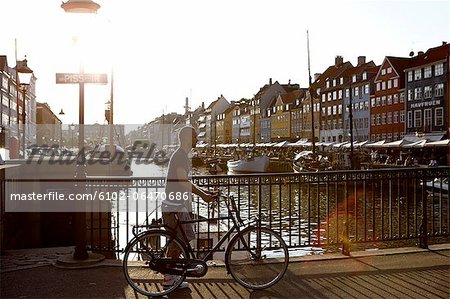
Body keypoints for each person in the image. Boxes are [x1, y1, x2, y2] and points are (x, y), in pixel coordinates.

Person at [161, 126, 216, 290]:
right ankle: (168, 278)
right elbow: (182, 181)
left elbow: (185, 181)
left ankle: (171, 276)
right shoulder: (180, 156)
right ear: (186, 139)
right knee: (178, 242)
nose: (197, 140)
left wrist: (205, 192)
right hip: (175, 206)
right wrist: (203, 195)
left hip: (176, 204)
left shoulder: (182, 155)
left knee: (178, 241)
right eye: (194, 137)